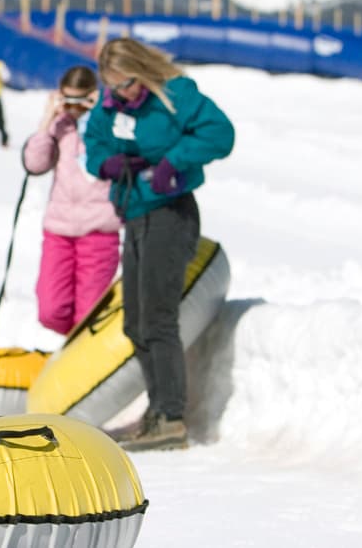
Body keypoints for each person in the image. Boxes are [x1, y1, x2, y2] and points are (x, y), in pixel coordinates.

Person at [83, 37, 234, 451]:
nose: (124, 93)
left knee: (158, 317)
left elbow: (220, 134)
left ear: (142, 70)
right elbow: (93, 145)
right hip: (135, 214)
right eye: (115, 86)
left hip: (170, 213)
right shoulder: (110, 104)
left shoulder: (175, 95)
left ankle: (171, 415)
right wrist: (107, 163)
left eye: (129, 83)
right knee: (135, 321)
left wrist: (174, 161)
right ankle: (157, 410)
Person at [22, 66, 121, 334]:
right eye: (69, 100)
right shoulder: (59, 126)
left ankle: (81, 359)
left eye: (81, 101)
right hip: (60, 230)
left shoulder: (110, 124)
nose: (74, 109)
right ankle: (72, 352)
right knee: (51, 311)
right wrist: (47, 120)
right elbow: (35, 163)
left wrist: (102, 112)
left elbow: (126, 151)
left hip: (99, 231)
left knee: (88, 316)